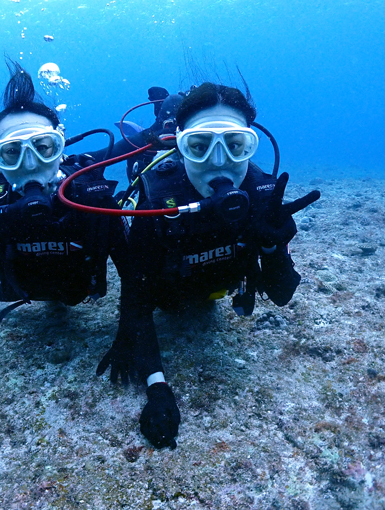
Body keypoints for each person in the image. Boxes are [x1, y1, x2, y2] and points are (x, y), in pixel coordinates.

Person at [96, 81, 321, 449]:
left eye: (235, 145)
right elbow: (136, 299)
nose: (219, 162)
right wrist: (156, 386)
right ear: (181, 147)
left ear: (250, 145)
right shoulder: (158, 206)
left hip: (211, 290)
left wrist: (272, 246)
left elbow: (281, 294)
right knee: (142, 162)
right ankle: (158, 125)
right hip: (168, 297)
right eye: (199, 146)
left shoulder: (262, 200)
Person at [0, 61, 126, 318]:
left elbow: (134, 270)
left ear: (60, 149)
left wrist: (134, 325)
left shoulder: (92, 198)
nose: (30, 165)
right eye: (11, 152)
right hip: (13, 291)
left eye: (42, 148)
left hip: (79, 291)